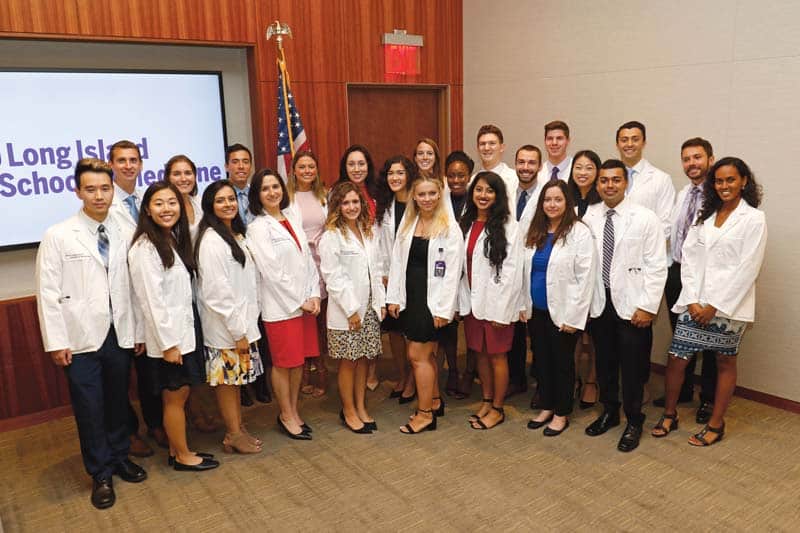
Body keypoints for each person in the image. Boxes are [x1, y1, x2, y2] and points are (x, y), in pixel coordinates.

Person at [36, 158, 146, 509]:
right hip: (79, 338)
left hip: (119, 332)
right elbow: (48, 292)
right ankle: (100, 473)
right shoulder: (58, 235)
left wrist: (139, 330)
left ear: (112, 189)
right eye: (91, 189)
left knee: (117, 402)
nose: (99, 196)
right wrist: (57, 342)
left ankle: (119, 457)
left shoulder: (125, 228)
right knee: (90, 408)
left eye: (105, 188)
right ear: (77, 191)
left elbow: (134, 286)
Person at [652, 157, 766, 446]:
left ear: (743, 181)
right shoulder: (705, 215)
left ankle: (716, 424)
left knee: (724, 362)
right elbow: (688, 259)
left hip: (728, 305)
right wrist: (691, 299)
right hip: (695, 301)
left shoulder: (753, 218)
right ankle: (669, 414)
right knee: (677, 358)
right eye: (719, 181)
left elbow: (747, 268)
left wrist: (715, 305)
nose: (724, 185)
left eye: (730, 180)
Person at [128, 181, 218, 471]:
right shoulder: (144, 248)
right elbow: (152, 302)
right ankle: (181, 456)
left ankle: (180, 450)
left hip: (182, 332)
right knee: (175, 398)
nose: (167, 209)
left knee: (179, 396)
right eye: (159, 203)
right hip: (170, 340)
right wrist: (169, 344)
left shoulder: (170, 239)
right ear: (147, 209)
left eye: (172, 203)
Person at [583, 159, 667, 453]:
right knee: (604, 363)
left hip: (633, 307)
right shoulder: (589, 216)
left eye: (616, 180)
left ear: (625, 183)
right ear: (597, 184)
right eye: (604, 180)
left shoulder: (645, 218)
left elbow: (657, 266)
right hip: (599, 302)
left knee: (633, 368)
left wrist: (647, 306)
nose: (610, 185)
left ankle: (634, 419)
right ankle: (609, 412)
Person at [387, 176, 464, 434]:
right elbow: (398, 263)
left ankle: (424, 415)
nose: (427, 199)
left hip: (433, 303)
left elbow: (453, 273)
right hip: (412, 298)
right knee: (425, 355)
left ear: (439, 195)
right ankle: (433, 400)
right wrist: (394, 298)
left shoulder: (450, 228)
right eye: (422, 194)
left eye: (433, 193)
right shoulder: (409, 224)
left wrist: (444, 309)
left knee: (417, 356)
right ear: (415, 197)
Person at [247, 170, 320, 441]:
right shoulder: (257, 228)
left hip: (304, 305)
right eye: (265, 188)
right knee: (283, 364)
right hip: (281, 308)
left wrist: (313, 294)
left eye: (276, 186)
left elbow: (308, 260)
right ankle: (286, 413)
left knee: (298, 362)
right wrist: (299, 300)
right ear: (257, 195)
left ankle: (295, 411)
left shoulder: (291, 217)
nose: (272, 192)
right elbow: (271, 272)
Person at [522, 181, 598, 436]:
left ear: (567, 203)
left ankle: (562, 412)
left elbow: (585, 278)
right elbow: (525, 272)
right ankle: (546, 405)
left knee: (562, 363)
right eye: (547, 200)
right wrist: (523, 305)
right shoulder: (536, 230)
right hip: (538, 310)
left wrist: (574, 317)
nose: (551, 205)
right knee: (541, 361)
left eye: (557, 200)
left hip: (564, 313)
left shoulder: (579, 232)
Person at [195, 180, 264, 453]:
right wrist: (239, 331)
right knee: (227, 382)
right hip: (227, 329)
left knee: (236, 381)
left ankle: (237, 427)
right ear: (210, 206)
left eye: (231, 199)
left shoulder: (234, 233)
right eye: (221, 200)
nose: (228, 204)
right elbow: (217, 294)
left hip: (241, 323)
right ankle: (233, 434)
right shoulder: (212, 240)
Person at [107, 140, 166, 457]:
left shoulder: (148, 200)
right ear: (111, 165)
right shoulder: (106, 203)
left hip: (148, 298)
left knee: (150, 371)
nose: (128, 165)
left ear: (141, 164)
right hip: (119, 302)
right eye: (122, 160)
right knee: (119, 376)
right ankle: (129, 432)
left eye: (134, 160)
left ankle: (156, 424)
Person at [653, 138, 718, 420]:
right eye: (687, 159)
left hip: (706, 278)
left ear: (710, 160)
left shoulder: (718, 196)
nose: (692, 163)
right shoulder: (683, 194)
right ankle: (682, 389)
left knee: (711, 339)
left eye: (697, 157)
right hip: (677, 272)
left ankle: (709, 399)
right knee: (682, 334)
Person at [319, 182, 386, 433]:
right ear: (337, 205)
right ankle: (348, 410)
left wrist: (378, 303)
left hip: (368, 307)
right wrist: (351, 310)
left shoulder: (368, 231)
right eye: (345, 202)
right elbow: (333, 277)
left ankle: (361, 405)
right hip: (348, 311)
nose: (351, 207)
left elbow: (376, 269)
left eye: (355, 202)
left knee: (363, 360)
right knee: (349, 362)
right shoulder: (331, 236)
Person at [458, 172, 522, 429]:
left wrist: (501, 310)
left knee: (497, 356)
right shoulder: (466, 224)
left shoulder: (509, 227)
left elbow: (512, 271)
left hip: (497, 305)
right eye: (479, 190)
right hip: (473, 302)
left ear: (498, 196)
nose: (483, 196)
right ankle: (486, 399)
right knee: (480, 354)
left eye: (489, 191)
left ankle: (497, 407)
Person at [164, 155, 222, 433]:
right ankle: (190, 413)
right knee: (185, 360)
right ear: (168, 177)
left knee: (199, 355)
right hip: (178, 291)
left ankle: (199, 408)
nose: (183, 178)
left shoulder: (199, 205)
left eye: (188, 172)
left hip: (202, 285)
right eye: (177, 173)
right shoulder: (165, 209)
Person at [224, 143, 272, 407]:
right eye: (235, 161)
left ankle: (260, 382)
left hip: (261, 271)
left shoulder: (259, 194)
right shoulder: (222, 195)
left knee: (259, 331)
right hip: (234, 270)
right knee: (238, 329)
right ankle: (242, 387)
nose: (241, 166)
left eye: (245, 161)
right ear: (227, 166)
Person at [286, 150, 330, 398]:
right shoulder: (287, 198)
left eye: (311, 167)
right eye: (302, 167)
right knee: (304, 323)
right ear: (294, 170)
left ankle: (321, 369)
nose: (306, 171)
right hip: (300, 268)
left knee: (321, 324)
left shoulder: (324, 195)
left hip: (324, 266)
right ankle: (304, 371)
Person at [375, 155, 416, 401]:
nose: (395, 177)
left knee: (412, 332)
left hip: (413, 279)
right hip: (390, 280)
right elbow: (380, 244)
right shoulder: (385, 205)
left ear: (409, 175)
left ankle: (412, 378)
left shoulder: (419, 202)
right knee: (395, 332)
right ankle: (402, 375)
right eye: (391, 173)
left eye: (400, 173)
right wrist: (383, 274)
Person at [566, 150, 603, 409]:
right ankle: (572, 379)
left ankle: (591, 381)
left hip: (597, 275)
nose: (582, 172)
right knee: (573, 333)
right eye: (578, 167)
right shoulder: (563, 197)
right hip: (568, 276)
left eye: (589, 168)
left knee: (594, 334)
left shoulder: (602, 201)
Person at [507, 144, 543, 400]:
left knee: (539, 330)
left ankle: (542, 384)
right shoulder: (508, 191)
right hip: (511, 269)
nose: (526, 167)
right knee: (514, 328)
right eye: (521, 162)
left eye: (531, 163)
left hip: (537, 268)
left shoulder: (546, 195)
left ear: (539, 167)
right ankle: (516, 378)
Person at [441, 150, 474, 398]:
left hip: (473, 270)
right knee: (449, 324)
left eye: (461, 175)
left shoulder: (478, 199)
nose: (456, 180)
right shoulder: (440, 199)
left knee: (472, 321)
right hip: (447, 269)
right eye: (451, 175)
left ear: (469, 176)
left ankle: (469, 372)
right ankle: (452, 369)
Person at [615, 121, 676, 240]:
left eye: (635, 139)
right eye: (624, 140)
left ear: (644, 143)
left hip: (647, 253)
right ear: (617, 145)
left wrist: (641, 250)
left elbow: (666, 224)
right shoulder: (606, 179)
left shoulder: (661, 179)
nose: (629, 144)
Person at [474, 124, 518, 214]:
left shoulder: (514, 179)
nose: (486, 148)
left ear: (502, 147)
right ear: (478, 148)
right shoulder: (472, 180)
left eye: (492, 143)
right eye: (482, 144)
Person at [337, 145, 379, 221]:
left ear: (368, 166)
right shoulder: (335, 193)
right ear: (345, 167)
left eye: (361, 164)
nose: (356, 169)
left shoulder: (378, 190)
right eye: (351, 164)